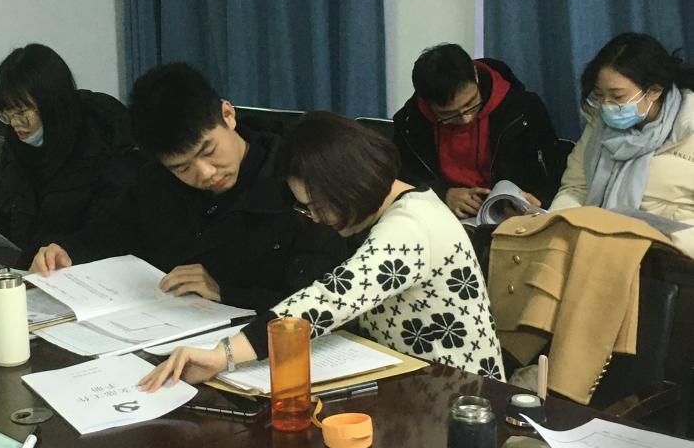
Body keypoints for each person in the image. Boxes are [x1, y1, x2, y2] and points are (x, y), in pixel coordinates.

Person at [139, 112, 506, 392]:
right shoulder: (396, 207)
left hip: (463, 397)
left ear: (345, 181)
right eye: (306, 208)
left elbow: (330, 298)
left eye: (316, 205)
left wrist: (224, 355)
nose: (315, 218)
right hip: (409, 379)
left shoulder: (411, 228)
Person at [30, 63, 352, 312]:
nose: (205, 173)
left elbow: (322, 299)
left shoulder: (297, 184)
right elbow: (109, 233)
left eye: (208, 151)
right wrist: (66, 252)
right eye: (182, 167)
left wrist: (225, 292)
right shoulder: (155, 183)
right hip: (167, 334)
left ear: (228, 115)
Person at [0, 44, 137, 256]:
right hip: (33, 265)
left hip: (83, 266)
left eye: (22, 113)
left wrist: (65, 251)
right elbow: (12, 211)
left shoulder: (104, 141)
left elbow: (110, 231)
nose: (15, 124)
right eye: (6, 114)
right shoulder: (17, 145)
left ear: (51, 104)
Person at [550, 32, 694, 257]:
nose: (606, 105)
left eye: (617, 97)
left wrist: (670, 244)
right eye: (600, 95)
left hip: (672, 257)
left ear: (654, 91)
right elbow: (575, 189)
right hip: (600, 245)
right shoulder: (598, 126)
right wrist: (559, 227)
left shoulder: (689, 127)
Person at [393, 43, 562, 219]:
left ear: (475, 75)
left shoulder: (522, 110)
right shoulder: (410, 122)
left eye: (471, 104)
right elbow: (401, 181)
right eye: (448, 115)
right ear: (427, 103)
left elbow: (552, 174)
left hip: (511, 218)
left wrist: (530, 202)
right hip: (441, 215)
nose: (466, 118)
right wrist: (443, 194)